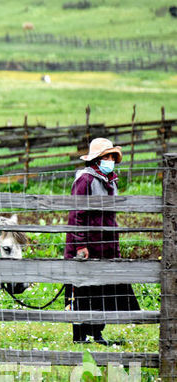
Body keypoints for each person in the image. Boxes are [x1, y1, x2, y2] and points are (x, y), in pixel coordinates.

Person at [64, 137, 140, 345]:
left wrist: (114, 247)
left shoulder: (110, 181)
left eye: (113, 157)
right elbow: (77, 215)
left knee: (102, 293)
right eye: (107, 157)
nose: (111, 161)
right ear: (97, 159)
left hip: (106, 247)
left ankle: (97, 333)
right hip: (87, 247)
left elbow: (110, 218)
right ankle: (80, 336)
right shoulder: (85, 180)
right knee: (82, 291)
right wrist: (80, 245)